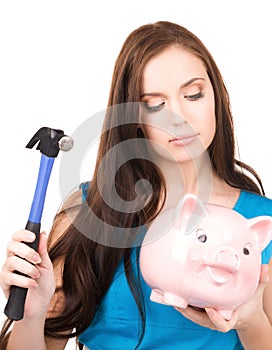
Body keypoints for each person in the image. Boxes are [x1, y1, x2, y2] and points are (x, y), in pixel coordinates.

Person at [0, 20, 271, 350]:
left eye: (194, 94)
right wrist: (31, 315)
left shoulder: (261, 224)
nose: (179, 116)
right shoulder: (87, 212)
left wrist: (251, 319)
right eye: (155, 105)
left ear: (216, 97)